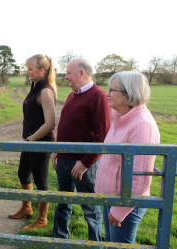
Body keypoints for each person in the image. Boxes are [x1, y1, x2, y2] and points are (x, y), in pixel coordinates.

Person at [95, 71, 160, 243]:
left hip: (125, 204)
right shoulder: (120, 118)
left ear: (127, 94)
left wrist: (120, 210)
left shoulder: (142, 125)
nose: (107, 94)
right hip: (113, 198)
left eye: (111, 90)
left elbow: (140, 177)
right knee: (111, 244)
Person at [52, 59, 111, 241]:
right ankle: (60, 239)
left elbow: (103, 135)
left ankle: (95, 243)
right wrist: (57, 150)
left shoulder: (98, 96)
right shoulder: (73, 95)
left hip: (83, 163)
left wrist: (85, 163)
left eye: (68, 73)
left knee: (90, 207)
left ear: (81, 73)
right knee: (63, 202)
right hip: (63, 159)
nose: (65, 76)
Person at [8, 54, 57, 230]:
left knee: (41, 182)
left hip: (41, 143)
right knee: (23, 173)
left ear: (41, 71)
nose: (27, 71)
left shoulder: (45, 91)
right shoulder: (35, 86)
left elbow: (50, 123)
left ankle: (42, 219)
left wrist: (31, 138)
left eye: (30, 68)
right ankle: (26, 209)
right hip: (30, 142)